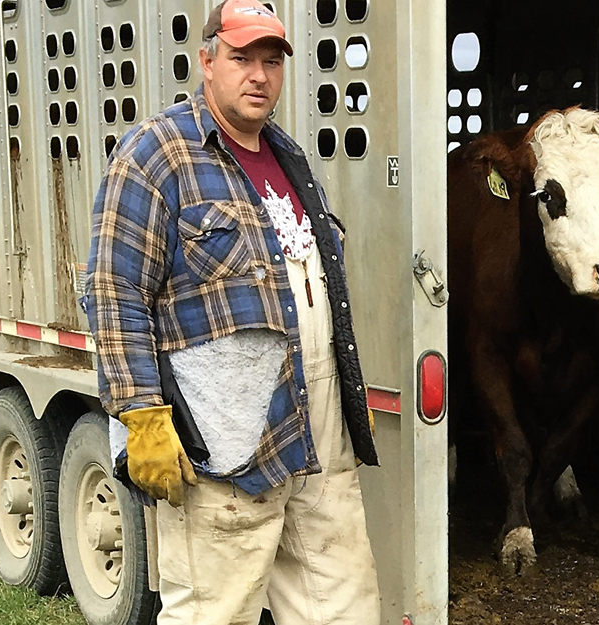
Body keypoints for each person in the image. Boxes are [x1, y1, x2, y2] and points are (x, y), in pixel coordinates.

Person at [84, 1, 380, 622]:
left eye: (271, 61)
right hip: (224, 442)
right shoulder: (155, 155)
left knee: (343, 606)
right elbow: (115, 292)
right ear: (207, 61)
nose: (258, 75)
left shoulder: (289, 159)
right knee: (216, 613)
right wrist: (140, 412)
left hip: (315, 434)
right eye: (242, 58)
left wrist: (346, 397)